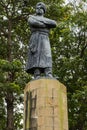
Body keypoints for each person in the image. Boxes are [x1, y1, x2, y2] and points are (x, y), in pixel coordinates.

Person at [26, 2, 57, 79]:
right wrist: (45, 25)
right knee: (36, 55)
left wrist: (42, 21)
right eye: (37, 8)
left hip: (45, 38)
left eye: (41, 8)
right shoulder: (31, 18)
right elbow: (34, 23)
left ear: (44, 10)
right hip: (35, 37)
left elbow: (54, 23)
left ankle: (48, 73)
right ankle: (37, 74)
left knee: (47, 55)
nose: (39, 9)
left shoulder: (43, 19)